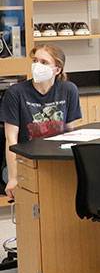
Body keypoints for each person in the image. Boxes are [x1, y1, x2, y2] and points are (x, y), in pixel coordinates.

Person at [3, 45, 82, 201]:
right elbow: (11, 139)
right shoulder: (16, 93)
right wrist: (13, 177)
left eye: (44, 62)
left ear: (57, 70)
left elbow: (71, 133)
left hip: (56, 159)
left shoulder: (69, 90)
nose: (37, 66)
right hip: (25, 160)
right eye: (35, 61)